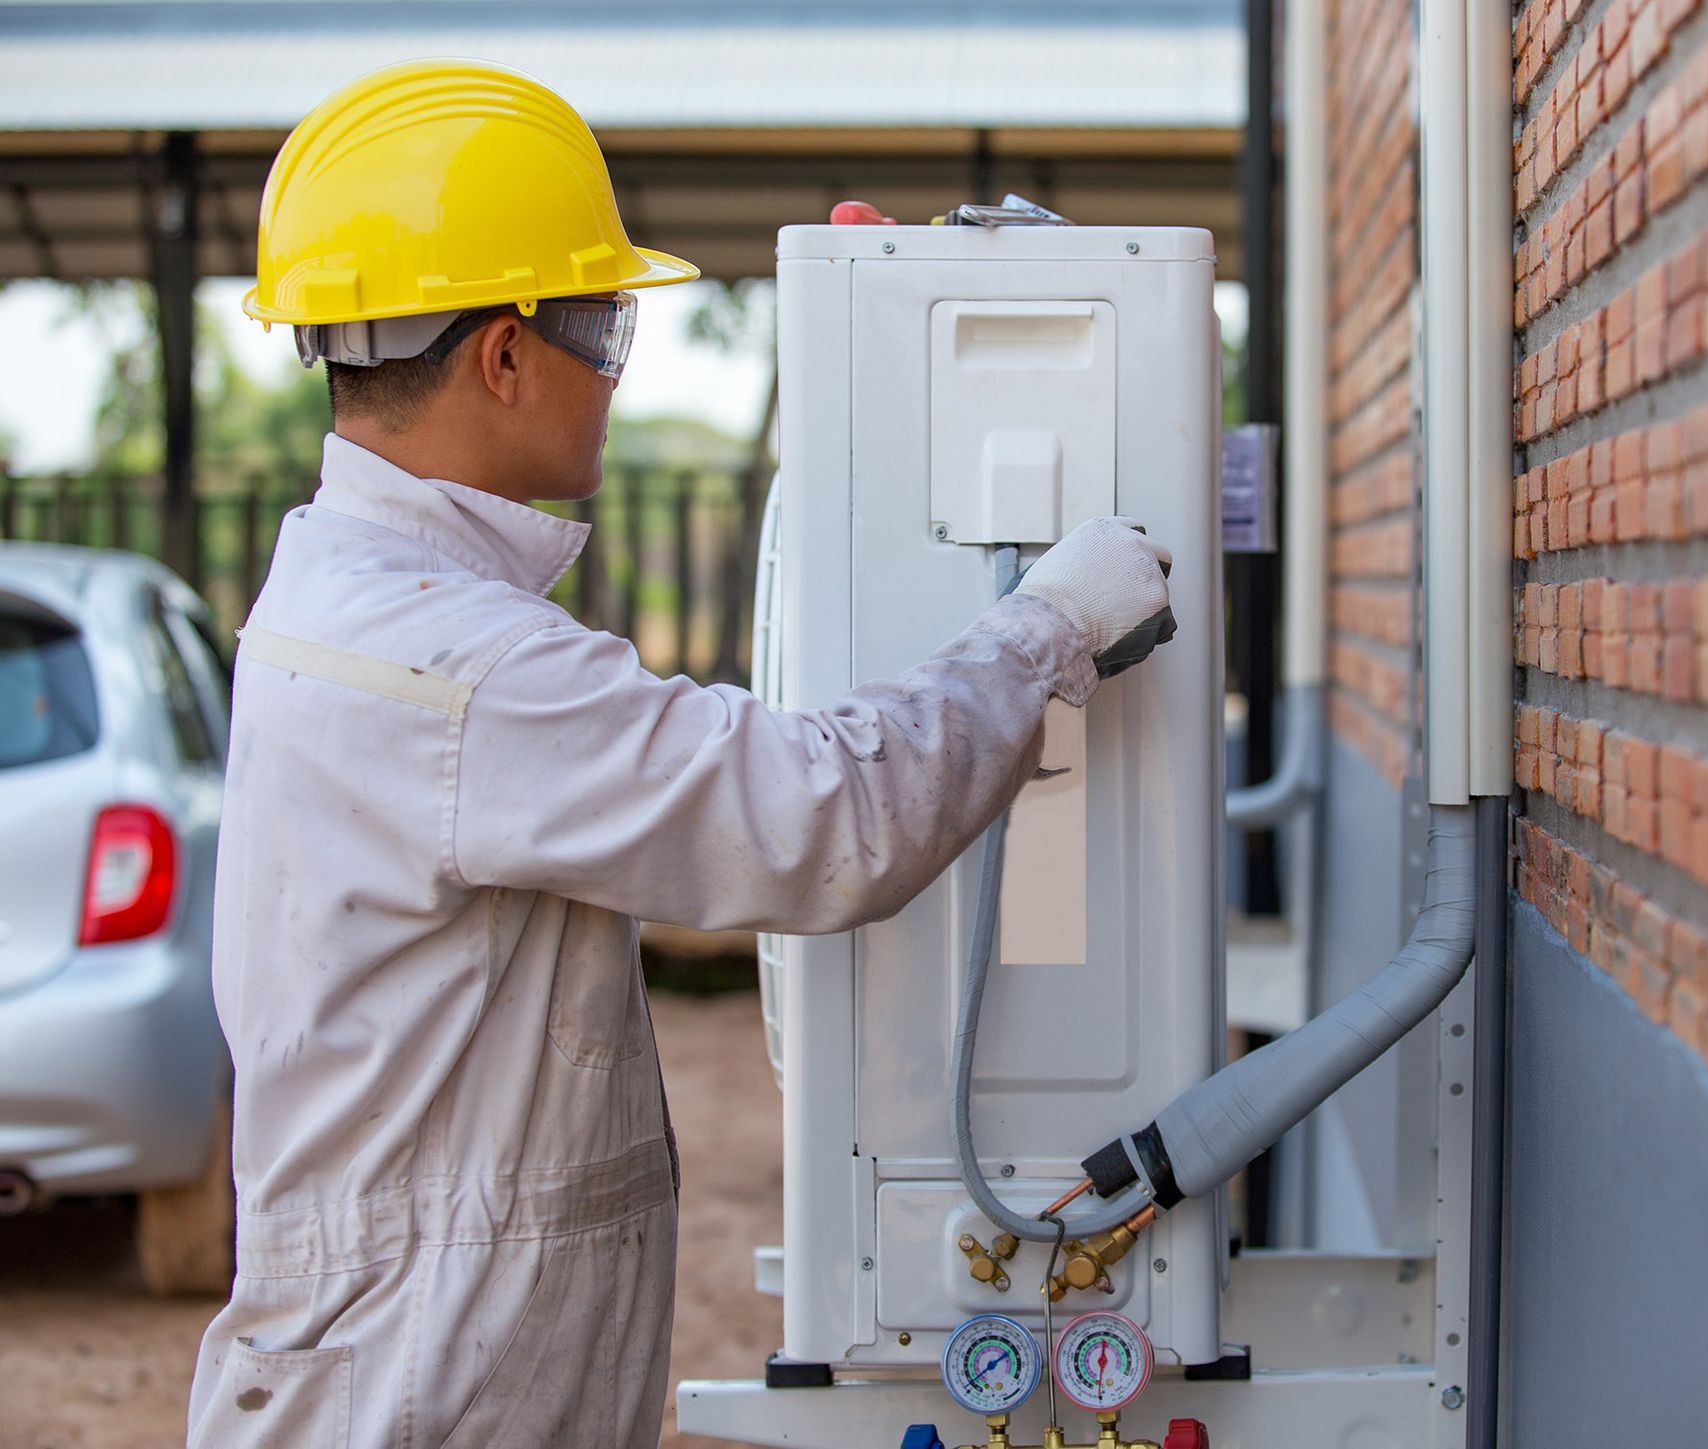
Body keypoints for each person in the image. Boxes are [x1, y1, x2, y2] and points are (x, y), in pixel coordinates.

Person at [186, 59, 1176, 1448]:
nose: (609, 366)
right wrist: (1050, 625)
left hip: (398, 1357)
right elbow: (818, 816)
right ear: (506, 353)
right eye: (602, 322)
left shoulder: (346, 601)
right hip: (420, 1393)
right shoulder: (457, 666)